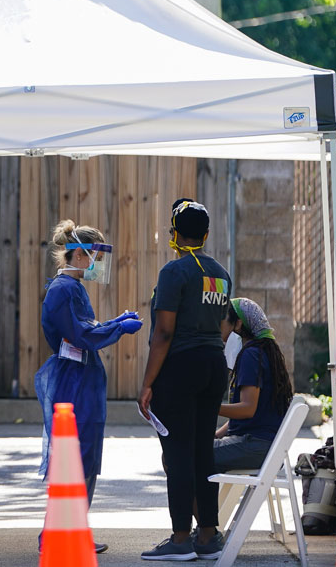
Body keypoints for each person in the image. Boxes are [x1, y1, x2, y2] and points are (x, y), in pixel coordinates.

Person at [35, 219, 143, 554]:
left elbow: (84, 329)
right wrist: (117, 329)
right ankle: (58, 534)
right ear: (79, 255)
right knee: (76, 458)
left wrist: (113, 323)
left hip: (83, 379)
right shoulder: (63, 290)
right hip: (75, 382)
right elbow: (80, 336)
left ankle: (72, 530)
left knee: (85, 458)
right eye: (95, 254)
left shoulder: (73, 288)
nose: (98, 263)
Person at [138, 199, 232, 561]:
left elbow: (163, 332)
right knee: (201, 452)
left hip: (180, 367)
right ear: (206, 235)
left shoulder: (173, 272)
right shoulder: (220, 273)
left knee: (177, 454)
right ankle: (207, 535)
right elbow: (224, 324)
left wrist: (148, 383)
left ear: (174, 234)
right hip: (213, 364)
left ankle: (180, 539)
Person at [213, 297, 294, 473]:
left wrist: (209, 406)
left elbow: (247, 409)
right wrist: (217, 434)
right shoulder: (262, 352)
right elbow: (253, 414)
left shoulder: (251, 355)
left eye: (222, 319)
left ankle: (199, 502)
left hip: (255, 446)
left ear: (238, 324)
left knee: (178, 455)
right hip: (261, 445)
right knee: (193, 453)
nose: (217, 324)